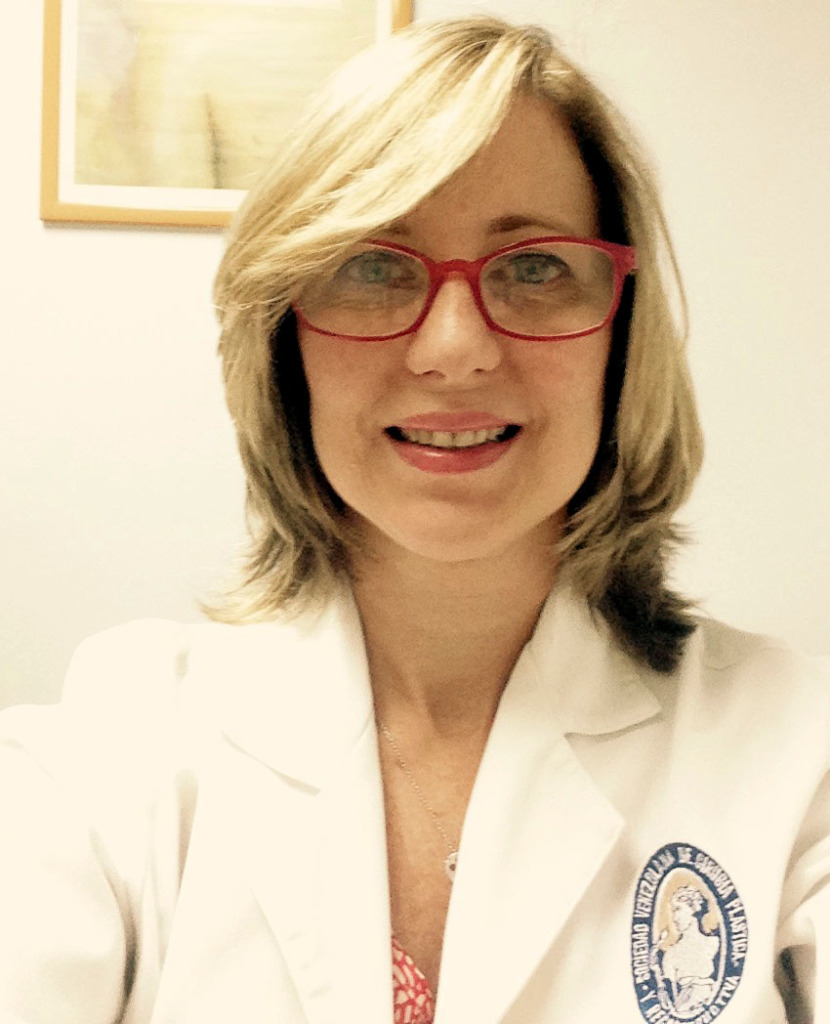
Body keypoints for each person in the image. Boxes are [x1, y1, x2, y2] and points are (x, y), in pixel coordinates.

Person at [1, 15, 828, 1024]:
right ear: (283, 339)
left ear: (620, 332)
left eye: (535, 266)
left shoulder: (797, 752)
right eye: (372, 265)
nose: (453, 348)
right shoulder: (115, 744)